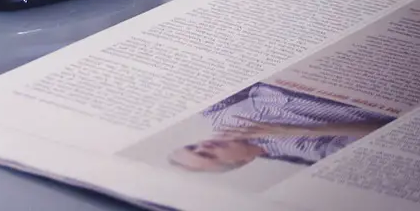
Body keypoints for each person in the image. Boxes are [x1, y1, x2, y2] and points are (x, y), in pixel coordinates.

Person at [168, 82, 395, 173]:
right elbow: (389, 130)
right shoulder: (307, 152)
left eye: (192, 147)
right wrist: (294, 131)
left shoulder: (215, 115)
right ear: (243, 162)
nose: (203, 145)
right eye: (207, 154)